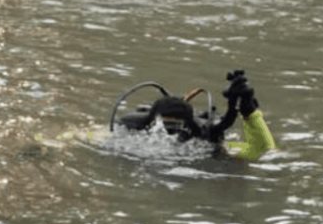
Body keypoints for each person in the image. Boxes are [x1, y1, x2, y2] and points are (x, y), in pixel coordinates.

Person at [109, 69, 276, 161]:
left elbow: (262, 150)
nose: (170, 131)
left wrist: (249, 112)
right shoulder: (209, 149)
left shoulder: (208, 145)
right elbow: (263, 150)